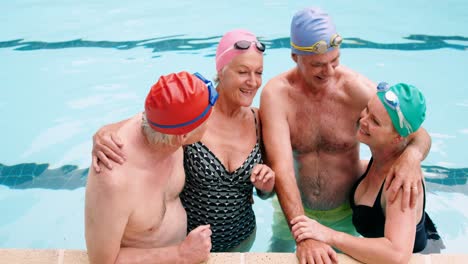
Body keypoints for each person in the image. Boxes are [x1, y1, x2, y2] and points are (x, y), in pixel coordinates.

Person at [259, 7, 431, 263]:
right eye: (318, 65)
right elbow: (282, 168)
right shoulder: (276, 95)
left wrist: (411, 158)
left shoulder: (356, 89)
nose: (329, 72)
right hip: (292, 212)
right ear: (295, 57)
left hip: (345, 215)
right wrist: (303, 233)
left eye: (335, 61)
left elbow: (414, 132)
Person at [91, 29, 275, 252]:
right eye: (244, 72)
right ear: (221, 70)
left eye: (259, 72)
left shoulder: (259, 120)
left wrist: (267, 187)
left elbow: (267, 191)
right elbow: (152, 117)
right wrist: (103, 133)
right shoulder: (192, 113)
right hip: (191, 246)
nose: (253, 82)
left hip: (242, 238)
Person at [290, 82, 442, 263]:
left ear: (398, 137)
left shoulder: (401, 184)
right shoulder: (381, 157)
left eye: (375, 121)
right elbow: (418, 133)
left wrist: (328, 235)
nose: (363, 120)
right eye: (367, 109)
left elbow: (397, 254)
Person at [85, 71, 216, 264]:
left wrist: (103, 131)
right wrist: (180, 255)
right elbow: (102, 261)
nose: (212, 118)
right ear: (183, 137)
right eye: (207, 116)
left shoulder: (163, 125)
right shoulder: (114, 180)